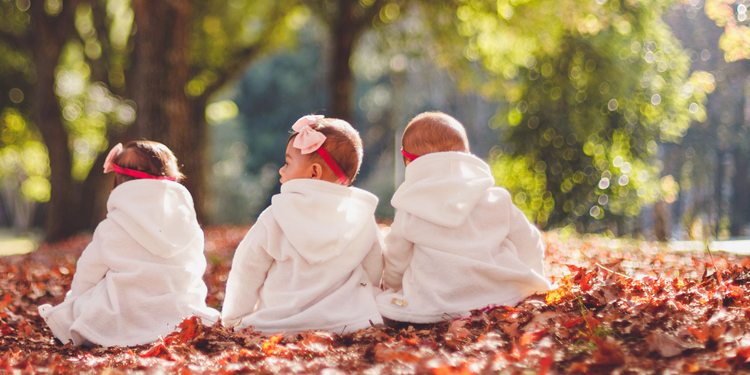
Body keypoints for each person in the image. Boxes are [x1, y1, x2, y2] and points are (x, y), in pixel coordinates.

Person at [38, 140, 219, 347]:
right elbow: (195, 267)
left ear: (119, 180)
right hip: (179, 312)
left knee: (81, 308)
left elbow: (88, 272)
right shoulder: (188, 227)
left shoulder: (113, 227)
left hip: (122, 312)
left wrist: (76, 298)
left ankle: (109, 332)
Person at [377, 111, 550, 323]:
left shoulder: (409, 208)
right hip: (502, 295)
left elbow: (396, 259)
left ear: (409, 163)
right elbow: (529, 242)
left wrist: (394, 288)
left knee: (384, 306)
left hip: (435, 303)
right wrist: (532, 276)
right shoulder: (496, 199)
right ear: (467, 156)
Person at [220, 115, 383, 334]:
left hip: (281, 322)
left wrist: (234, 317)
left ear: (313, 172)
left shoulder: (275, 216)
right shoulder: (359, 216)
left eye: (287, 163)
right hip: (348, 322)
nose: (281, 170)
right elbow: (374, 267)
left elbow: (247, 269)